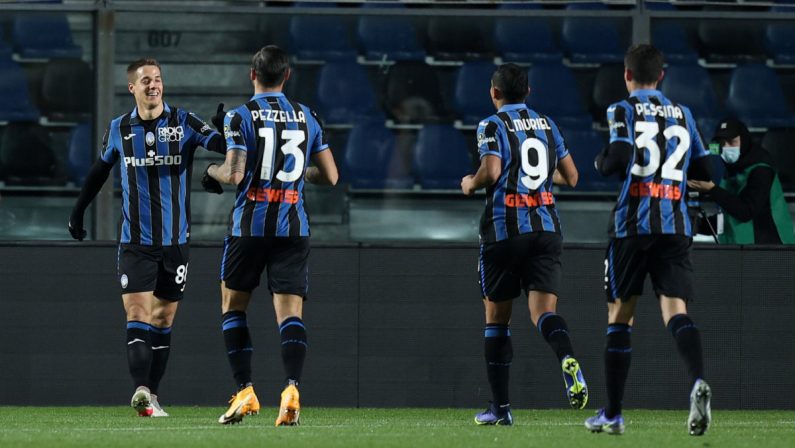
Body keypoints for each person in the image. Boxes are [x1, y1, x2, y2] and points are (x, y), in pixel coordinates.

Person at [67, 58, 226, 417]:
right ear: (132, 88)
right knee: (137, 312)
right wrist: (78, 211)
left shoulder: (184, 121)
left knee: (163, 321)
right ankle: (140, 389)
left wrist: (226, 129)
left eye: (157, 79)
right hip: (136, 243)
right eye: (146, 81)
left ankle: (152, 396)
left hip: (176, 244)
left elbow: (219, 144)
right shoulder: (120, 129)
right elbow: (98, 171)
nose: (153, 85)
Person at [201, 45, 338, 426]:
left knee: (233, 306)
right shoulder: (307, 115)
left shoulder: (239, 116)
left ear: (252, 74)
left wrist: (209, 170)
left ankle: (245, 390)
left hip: (249, 226)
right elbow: (330, 176)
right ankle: (292, 387)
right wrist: (297, 176)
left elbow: (233, 174)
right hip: (293, 226)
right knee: (290, 314)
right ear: (287, 76)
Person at [586, 44, 714, 436]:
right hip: (675, 224)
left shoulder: (621, 109)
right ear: (662, 76)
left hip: (632, 226)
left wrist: (601, 160)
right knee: (676, 311)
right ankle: (696, 382)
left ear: (627, 75)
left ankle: (613, 414)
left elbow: (619, 157)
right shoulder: (683, 114)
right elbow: (708, 170)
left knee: (620, 315)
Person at [460, 63, 586, 426]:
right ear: (528, 93)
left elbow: (493, 172)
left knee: (497, 321)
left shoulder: (492, 125)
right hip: (546, 229)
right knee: (543, 313)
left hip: (504, 232)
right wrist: (542, 180)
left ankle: (500, 408)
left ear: (494, 93)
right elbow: (572, 177)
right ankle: (566, 356)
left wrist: (470, 183)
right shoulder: (548, 124)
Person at [688, 118, 795, 245]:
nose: (726, 147)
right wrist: (692, 224)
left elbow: (745, 212)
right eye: (722, 144)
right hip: (740, 250)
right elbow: (728, 219)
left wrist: (712, 189)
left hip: (768, 250)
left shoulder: (761, 170)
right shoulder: (731, 171)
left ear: (743, 141)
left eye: (732, 142)